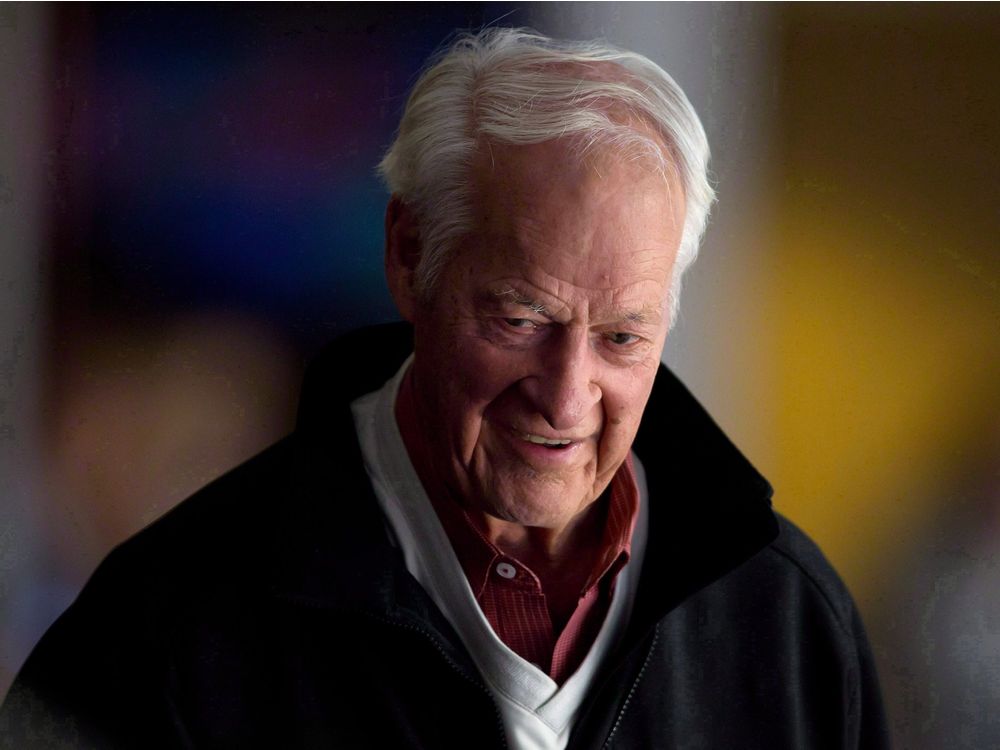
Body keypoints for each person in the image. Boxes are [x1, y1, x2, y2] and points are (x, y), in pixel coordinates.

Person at [0, 28, 888, 749]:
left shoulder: (787, 622)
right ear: (408, 255)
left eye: (622, 337)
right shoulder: (163, 630)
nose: (568, 398)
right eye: (519, 319)